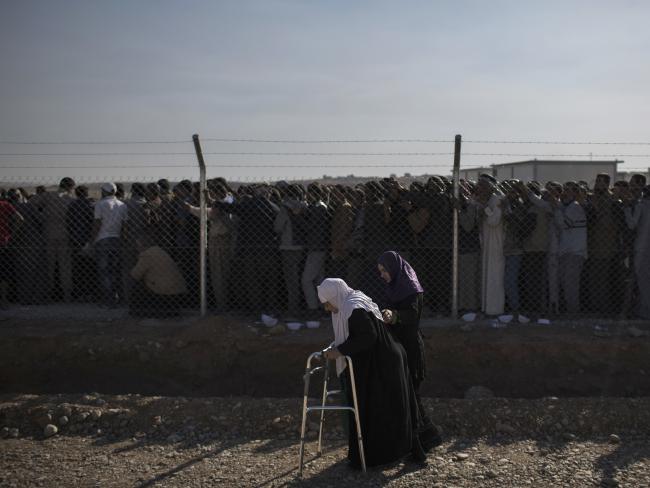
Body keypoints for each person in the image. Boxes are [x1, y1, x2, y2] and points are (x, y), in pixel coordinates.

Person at [318, 278, 427, 468]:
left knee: (382, 407)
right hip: (385, 358)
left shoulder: (354, 308)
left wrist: (340, 351)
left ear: (335, 296)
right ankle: (407, 453)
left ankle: (375, 457)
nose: (328, 309)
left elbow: (368, 336)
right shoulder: (353, 302)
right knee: (395, 406)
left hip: (383, 363)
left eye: (328, 303)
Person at [377, 251, 441, 449]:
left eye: (384, 271)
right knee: (408, 394)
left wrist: (394, 316)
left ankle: (427, 436)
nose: (382, 275)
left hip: (411, 347)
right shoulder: (394, 287)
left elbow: (412, 315)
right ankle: (419, 438)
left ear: (394, 268)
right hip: (400, 346)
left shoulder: (411, 289)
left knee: (412, 393)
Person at [129, 233, 187, 318]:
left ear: (142, 245)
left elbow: (134, 275)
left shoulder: (146, 254)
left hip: (165, 294)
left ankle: (137, 311)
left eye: (137, 246)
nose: (136, 248)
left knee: (136, 286)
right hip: (177, 293)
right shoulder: (159, 250)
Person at [92, 182, 128, 307]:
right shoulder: (122, 205)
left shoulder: (100, 204)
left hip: (103, 239)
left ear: (104, 191)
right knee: (115, 270)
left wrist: (92, 240)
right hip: (116, 239)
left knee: (104, 272)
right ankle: (120, 298)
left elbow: (97, 224)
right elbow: (124, 226)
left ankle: (108, 300)